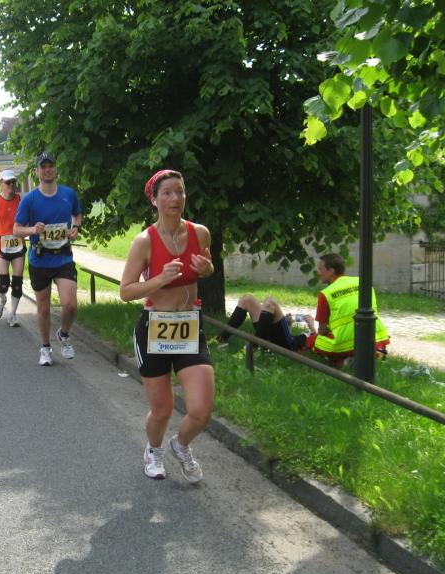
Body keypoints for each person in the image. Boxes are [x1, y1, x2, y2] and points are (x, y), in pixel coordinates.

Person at [119, 169, 214, 483]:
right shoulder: (144, 241)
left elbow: (208, 268)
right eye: (167, 193)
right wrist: (159, 279)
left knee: (201, 410)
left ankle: (181, 445)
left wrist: (207, 269)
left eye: (180, 191)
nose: (175, 198)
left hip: (189, 326)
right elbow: (125, 291)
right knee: (162, 409)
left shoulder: (200, 233)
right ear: (155, 200)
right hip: (155, 329)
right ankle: (154, 450)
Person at [14, 152, 82, 365]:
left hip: (63, 257)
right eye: (43, 167)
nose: (47, 170)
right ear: (37, 172)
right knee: (43, 308)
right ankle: (45, 348)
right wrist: (32, 229)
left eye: (50, 166)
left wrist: (75, 228)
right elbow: (16, 229)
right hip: (40, 259)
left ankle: (64, 333)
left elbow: (77, 215)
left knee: (70, 305)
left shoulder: (68, 194)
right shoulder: (30, 199)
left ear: (55, 168)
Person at [305, 253, 390, 363]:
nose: (318, 273)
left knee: (312, 341)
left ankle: (342, 360)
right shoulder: (363, 283)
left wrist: (312, 329)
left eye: (321, 269)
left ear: (331, 271)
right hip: (375, 341)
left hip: (345, 346)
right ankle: (372, 354)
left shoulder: (326, 294)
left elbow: (322, 331)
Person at [0, 170, 25, 326]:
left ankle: (13, 314)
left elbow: (27, 219)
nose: (11, 185)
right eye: (8, 182)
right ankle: (2, 300)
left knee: (17, 283)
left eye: (13, 182)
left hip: (18, 245)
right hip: (1, 246)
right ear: (0, 183)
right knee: (3, 283)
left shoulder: (20, 200)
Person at [217, 294, 317, 351]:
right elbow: (288, 337)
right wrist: (289, 324)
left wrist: (312, 328)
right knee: (247, 299)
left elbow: (315, 343)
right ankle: (220, 339)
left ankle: (252, 349)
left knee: (270, 303)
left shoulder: (318, 335)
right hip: (279, 338)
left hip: (289, 345)